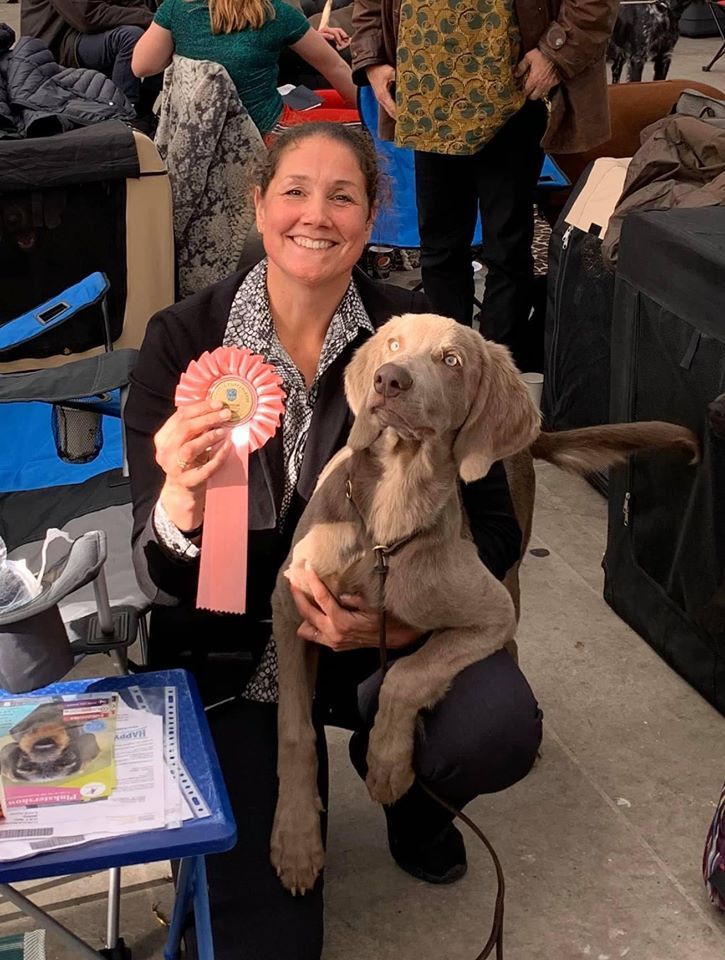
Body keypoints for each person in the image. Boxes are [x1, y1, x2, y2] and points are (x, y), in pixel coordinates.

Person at [125, 122, 542, 960]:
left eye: (343, 196)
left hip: (380, 645)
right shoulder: (185, 339)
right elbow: (161, 570)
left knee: (492, 724)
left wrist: (401, 631)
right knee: (266, 944)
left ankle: (411, 798)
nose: (316, 214)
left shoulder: (413, 340)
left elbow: (495, 528)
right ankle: (274, 776)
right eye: (295, 191)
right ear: (259, 204)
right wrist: (181, 495)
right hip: (235, 650)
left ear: (369, 219)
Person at [351, 0, 619, 371]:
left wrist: (557, 51)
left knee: (508, 251)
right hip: (428, 99)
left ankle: (493, 376)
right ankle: (443, 371)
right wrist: (373, 60)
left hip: (515, 94)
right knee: (440, 251)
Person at [130, 0, 359, 142]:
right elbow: (335, 67)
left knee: (321, 97)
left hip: (200, 133)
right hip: (267, 129)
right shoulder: (275, 13)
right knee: (367, 121)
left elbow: (141, 65)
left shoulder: (175, 9)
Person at [21, 0, 161, 118]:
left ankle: (143, 112)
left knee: (162, 37)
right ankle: (124, 116)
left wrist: (158, 22)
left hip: (83, 31)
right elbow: (87, 17)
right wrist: (151, 19)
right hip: (55, 42)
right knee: (130, 37)